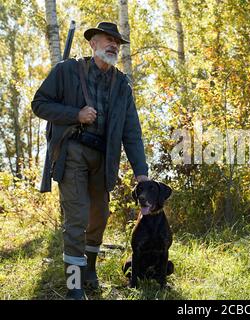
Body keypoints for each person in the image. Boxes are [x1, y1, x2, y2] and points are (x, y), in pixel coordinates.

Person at [31, 22, 150, 300]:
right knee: (77, 218)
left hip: (104, 157)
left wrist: (141, 172)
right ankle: (75, 286)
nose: (113, 45)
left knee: (100, 216)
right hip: (72, 152)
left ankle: (89, 272)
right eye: (108, 40)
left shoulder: (122, 85)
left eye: (117, 43)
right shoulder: (66, 71)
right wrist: (76, 114)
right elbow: (40, 104)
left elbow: (132, 132)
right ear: (92, 43)